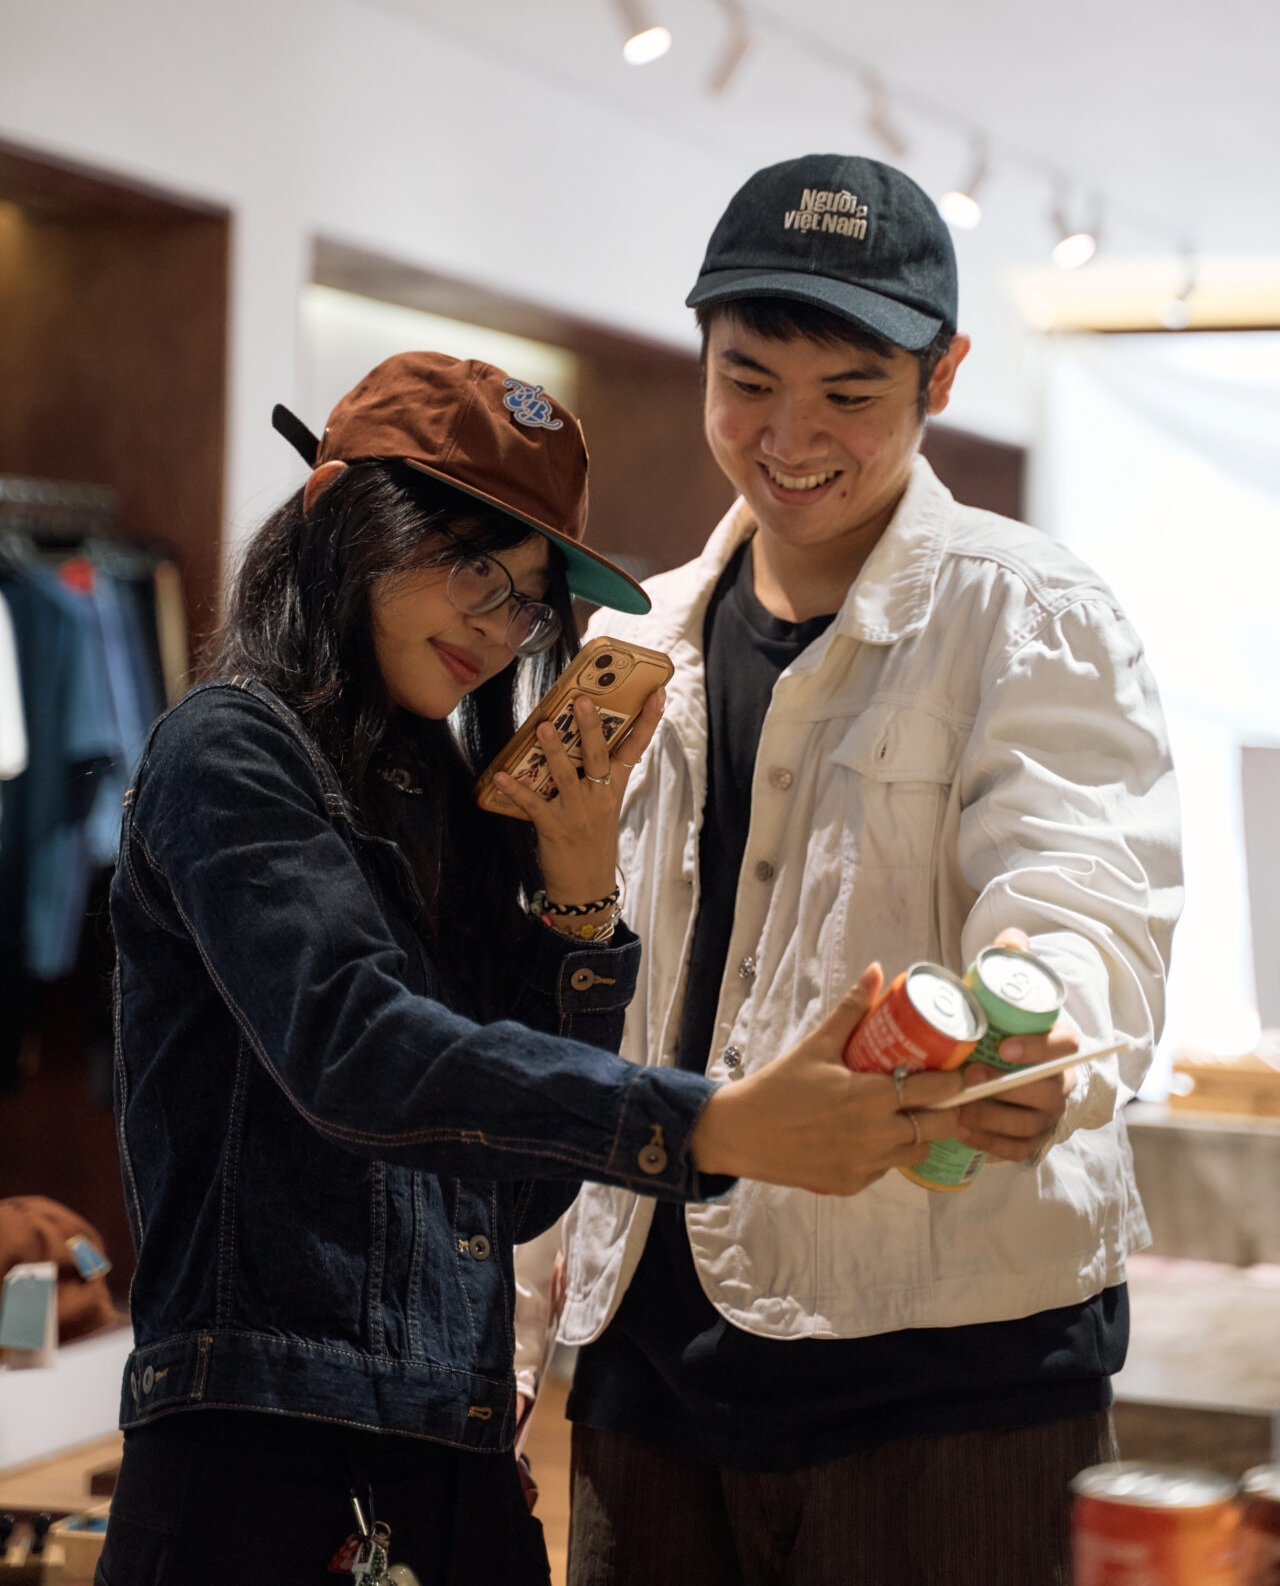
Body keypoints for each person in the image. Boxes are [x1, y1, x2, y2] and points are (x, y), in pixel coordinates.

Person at [94, 351, 966, 1586]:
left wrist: (578, 890)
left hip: (446, 1462)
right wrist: (708, 1124)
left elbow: (516, 1196)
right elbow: (358, 1049)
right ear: (340, 513)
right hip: (265, 1464)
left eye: (525, 603)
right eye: (471, 568)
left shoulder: (438, 805)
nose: (497, 628)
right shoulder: (228, 754)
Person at [542, 157, 1181, 1586]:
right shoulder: (633, 641)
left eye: (849, 392)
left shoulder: (1029, 612)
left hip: (946, 1364)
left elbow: (1085, 900)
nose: (789, 436)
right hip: (648, 1358)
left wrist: (1043, 1043)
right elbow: (583, 982)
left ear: (940, 376)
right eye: (747, 381)